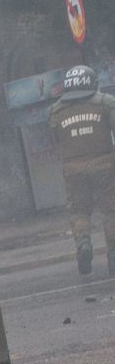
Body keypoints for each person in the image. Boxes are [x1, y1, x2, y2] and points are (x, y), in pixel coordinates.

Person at [47, 64, 115, 275]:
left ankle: (83, 246)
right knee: (111, 210)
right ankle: (113, 254)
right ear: (92, 82)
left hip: (72, 169)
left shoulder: (56, 110)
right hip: (105, 165)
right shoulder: (105, 103)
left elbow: (53, 138)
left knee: (79, 211)